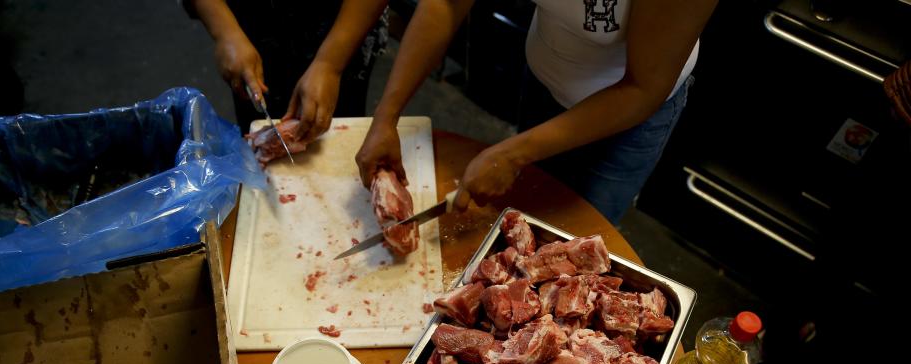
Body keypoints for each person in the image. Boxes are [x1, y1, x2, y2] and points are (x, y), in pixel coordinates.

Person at [356, 0, 717, 222]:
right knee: (524, 222)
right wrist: (386, 118)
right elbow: (447, 4)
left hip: (626, 124)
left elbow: (642, 88)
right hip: (544, 78)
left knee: (576, 251)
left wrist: (514, 154)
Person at [185, 0, 389, 139]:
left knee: (339, 127)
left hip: (344, 26)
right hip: (252, 28)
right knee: (258, 119)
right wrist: (225, 32)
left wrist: (330, 64)